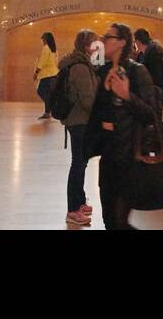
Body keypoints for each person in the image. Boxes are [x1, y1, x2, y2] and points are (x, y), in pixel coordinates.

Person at [83, 22, 160, 230]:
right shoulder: (104, 71)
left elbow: (150, 115)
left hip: (129, 157)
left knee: (119, 222)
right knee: (109, 220)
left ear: (121, 43)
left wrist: (127, 95)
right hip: (108, 157)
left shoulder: (137, 72)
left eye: (108, 37)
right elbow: (97, 114)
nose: (103, 40)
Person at [55, 29, 100, 226]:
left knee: (81, 162)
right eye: (94, 43)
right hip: (79, 121)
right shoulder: (80, 67)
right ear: (85, 46)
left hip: (79, 121)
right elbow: (88, 98)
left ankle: (79, 201)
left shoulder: (82, 64)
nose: (97, 47)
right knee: (78, 164)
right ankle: (72, 209)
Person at [133, 28, 163, 112]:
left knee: (154, 122)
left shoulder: (153, 53)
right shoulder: (144, 54)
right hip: (151, 96)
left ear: (138, 42)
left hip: (154, 97)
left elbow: (157, 79)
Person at [33, 32, 59, 120]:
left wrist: (36, 72)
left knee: (41, 91)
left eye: (43, 39)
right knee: (48, 93)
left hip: (47, 74)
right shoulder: (54, 50)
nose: (42, 41)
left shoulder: (46, 48)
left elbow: (42, 62)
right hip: (53, 74)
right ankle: (48, 112)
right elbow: (56, 62)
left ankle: (50, 108)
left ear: (46, 39)